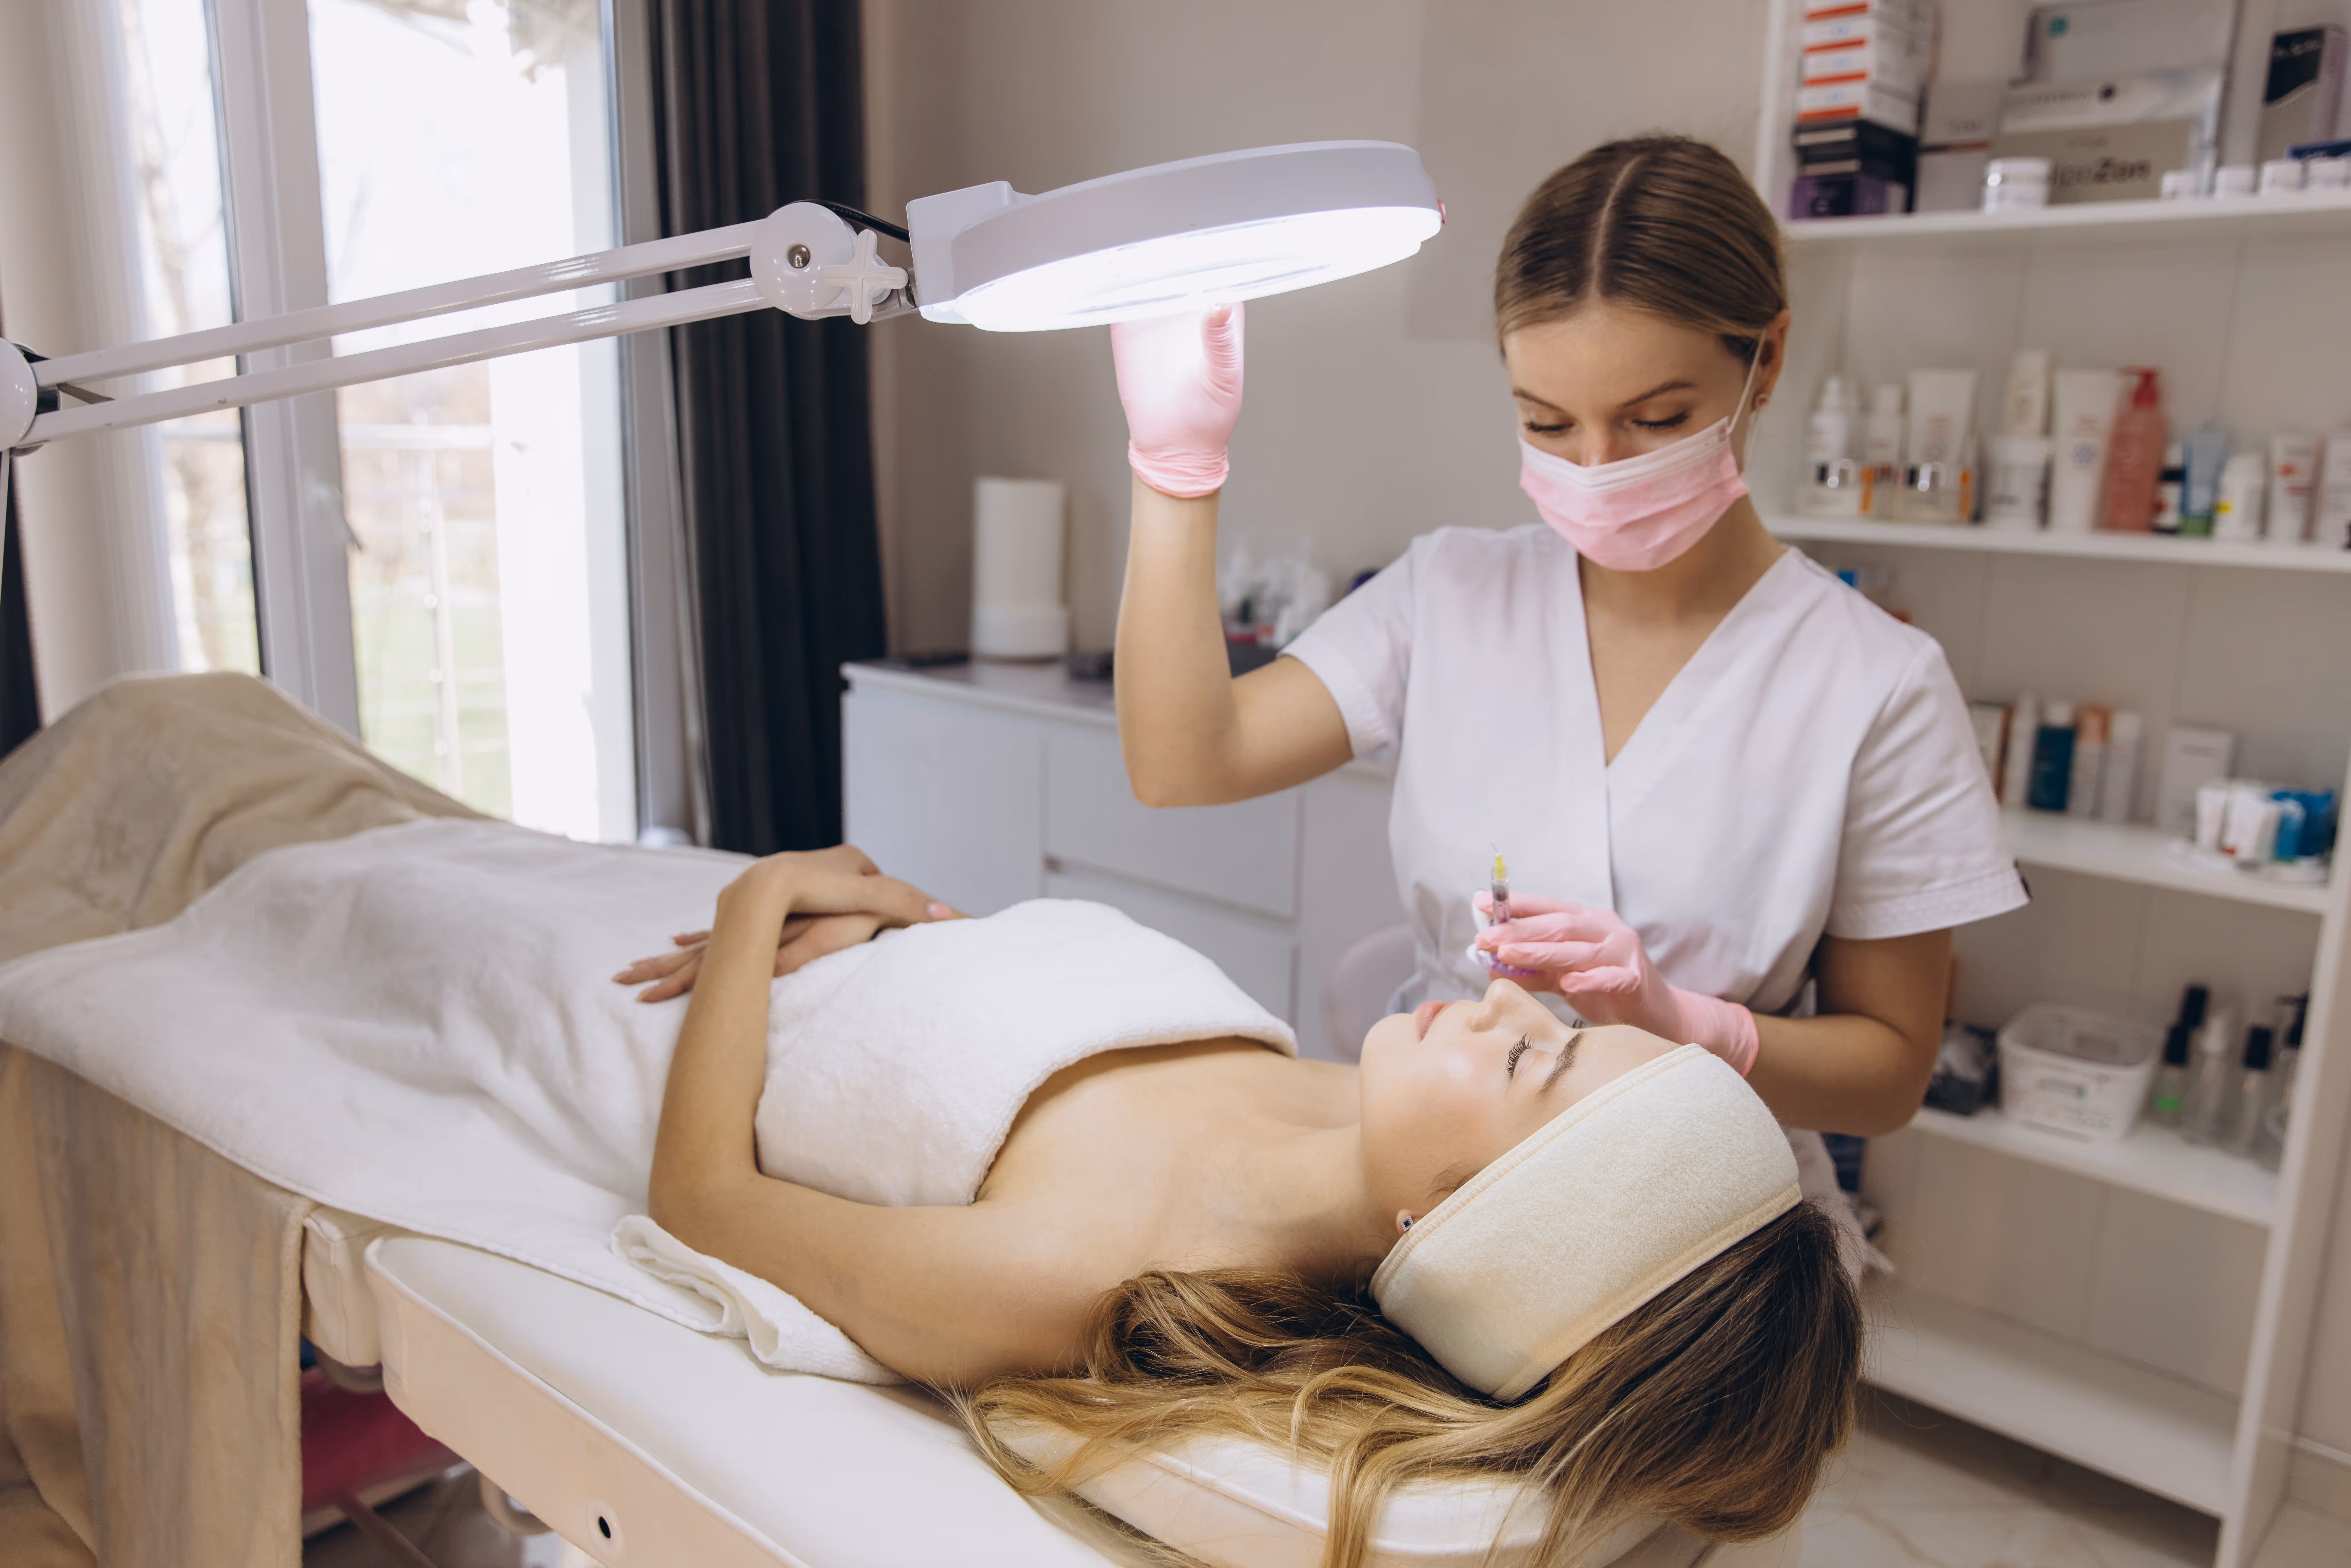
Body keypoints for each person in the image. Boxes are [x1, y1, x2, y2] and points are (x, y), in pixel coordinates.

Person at [1108, 136, 2026, 1195]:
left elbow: (1890, 1074)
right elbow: (1183, 763)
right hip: (1439, 1184)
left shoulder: (1879, 684)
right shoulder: (1449, 591)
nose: (1597, 471)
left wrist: (1683, 1024)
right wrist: (1177, 470)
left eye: (1657, 420)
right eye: (1548, 424)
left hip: (1700, 1220)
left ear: (1766, 359)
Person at [622, 848, 1859, 1566]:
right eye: (1569, 1028)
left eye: (1533, 1062)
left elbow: (700, 1196)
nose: (1511, 1003)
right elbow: (1032, 1002)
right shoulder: (1345, 1111)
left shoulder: (1061, 1273)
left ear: (1462, 1225)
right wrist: (908, 916)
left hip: (659, 999)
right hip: (836, 923)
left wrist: (757, 898)